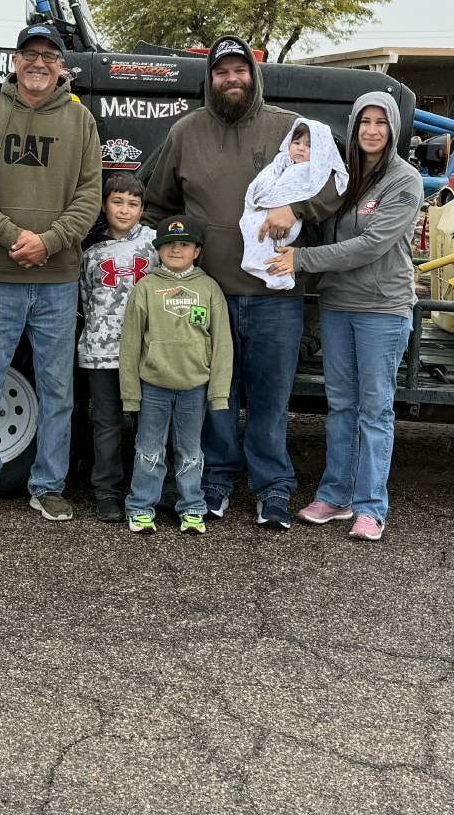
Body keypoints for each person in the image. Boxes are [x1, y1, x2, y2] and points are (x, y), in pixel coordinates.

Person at [140, 35, 341, 529]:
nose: (232, 79)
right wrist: (176, 254)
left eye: (240, 70)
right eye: (221, 72)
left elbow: (336, 181)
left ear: (255, 73)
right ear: (209, 79)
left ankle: (273, 489)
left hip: (276, 297)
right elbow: (155, 201)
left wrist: (295, 207)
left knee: (271, 401)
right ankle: (216, 481)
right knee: (216, 398)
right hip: (206, 294)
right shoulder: (186, 132)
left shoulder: (288, 128)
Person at [0, 23, 103, 522]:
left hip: (58, 280)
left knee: (57, 387)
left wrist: (49, 241)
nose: (39, 62)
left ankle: (50, 484)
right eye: (30, 53)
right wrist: (13, 237)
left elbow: (90, 197)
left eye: (50, 55)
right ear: (15, 60)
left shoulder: (80, 122)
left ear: (62, 66)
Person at [266, 93, 422, 542]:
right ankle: (336, 496)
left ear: (393, 129)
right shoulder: (341, 176)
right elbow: (306, 207)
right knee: (341, 407)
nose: (372, 130)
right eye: (364, 123)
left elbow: (371, 244)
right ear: (353, 128)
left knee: (374, 410)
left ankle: (371, 507)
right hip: (337, 305)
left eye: (381, 123)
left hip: (381, 308)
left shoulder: (404, 180)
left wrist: (301, 259)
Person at [119, 215, 232, 536]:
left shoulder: (209, 289)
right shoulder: (146, 288)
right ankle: (141, 507)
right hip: (154, 386)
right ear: (159, 249)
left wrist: (218, 392)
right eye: (169, 244)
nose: (176, 249)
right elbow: (130, 345)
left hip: (194, 388)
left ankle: (192, 507)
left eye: (184, 244)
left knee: (191, 452)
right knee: (149, 449)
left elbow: (222, 344)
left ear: (197, 250)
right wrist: (131, 393)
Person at [77, 172, 156, 523]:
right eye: (117, 202)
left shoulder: (153, 244)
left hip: (146, 349)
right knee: (106, 422)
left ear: (142, 209)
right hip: (101, 349)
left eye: (133, 204)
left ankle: (146, 490)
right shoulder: (90, 250)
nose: (125, 211)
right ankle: (106, 492)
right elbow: (84, 299)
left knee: (148, 422)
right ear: (105, 205)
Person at [239, 117, 348, 291]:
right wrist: (263, 198)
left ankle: (277, 274)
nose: (301, 147)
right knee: (251, 225)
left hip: (292, 224)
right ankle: (257, 262)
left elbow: (332, 188)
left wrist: (291, 208)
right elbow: (263, 182)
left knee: (281, 237)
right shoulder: (280, 164)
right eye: (296, 142)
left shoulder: (319, 173)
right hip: (265, 210)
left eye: (309, 145)